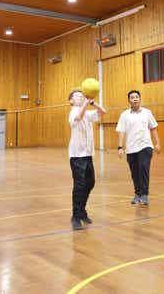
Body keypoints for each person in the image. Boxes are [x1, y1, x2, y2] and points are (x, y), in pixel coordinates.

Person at [68, 89, 106, 230]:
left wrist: (93, 102)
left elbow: (103, 112)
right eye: (76, 96)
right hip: (77, 155)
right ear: (71, 101)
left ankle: (82, 211)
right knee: (79, 185)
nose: (80, 97)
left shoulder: (87, 113)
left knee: (90, 183)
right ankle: (76, 216)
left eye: (81, 95)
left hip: (87, 154)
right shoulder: (73, 112)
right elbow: (78, 116)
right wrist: (85, 102)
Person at [116, 90, 161, 205]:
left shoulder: (147, 112)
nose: (135, 99)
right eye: (132, 97)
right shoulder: (124, 115)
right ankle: (137, 193)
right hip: (131, 148)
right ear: (129, 100)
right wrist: (120, 147)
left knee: (143, 168)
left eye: (137, 97)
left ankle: (144, 194)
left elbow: (153, 128)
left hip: (145, 146)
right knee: (134, 172)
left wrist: (157, 143)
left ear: (140, 99)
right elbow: (121, 131)